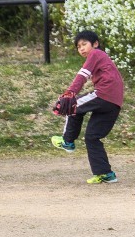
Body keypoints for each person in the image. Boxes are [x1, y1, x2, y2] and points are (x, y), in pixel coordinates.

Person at [51, 29, 123, 184]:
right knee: (92, 137)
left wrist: (70, 92)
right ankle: (105, 174)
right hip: (114, 102)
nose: (81, 48)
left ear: (95, 44)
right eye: (78, 46)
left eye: (84, 44)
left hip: (105, 94)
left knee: (72, 104)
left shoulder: (96, 54)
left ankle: (67, 141)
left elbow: (82, 75)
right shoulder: (101, 57)